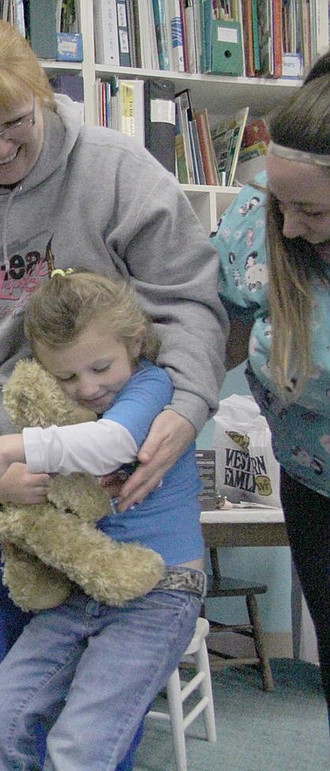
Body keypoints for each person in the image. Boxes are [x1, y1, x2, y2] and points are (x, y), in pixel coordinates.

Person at [0, 17, 226, 712]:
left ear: (42, 97)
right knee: (2, 599)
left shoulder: (116, 167)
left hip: (123, 434)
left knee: (120, 619)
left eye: (13, 122)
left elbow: (187, 298)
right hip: (3, 447)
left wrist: (186, 408)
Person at [0, 270, 207, 771]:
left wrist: (10, 446)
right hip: (81, 588)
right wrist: (16, 480)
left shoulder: (151, 383)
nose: (88, 388)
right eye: (67, 377)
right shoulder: (65, 411)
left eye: (100, 368)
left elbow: (113, 444)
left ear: (135, 341)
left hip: (161, 591)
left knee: (81, 744)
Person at [214, 50, 330, 726]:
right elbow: (216, 341)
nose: (289, 227)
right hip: (313, 487)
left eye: (311, 211)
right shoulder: (257, 224)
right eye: (281, 204)